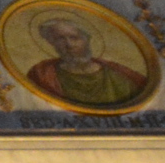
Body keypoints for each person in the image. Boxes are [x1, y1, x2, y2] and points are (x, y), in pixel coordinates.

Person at [21, 10, 152, 108]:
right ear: (52, 43)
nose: (69, 44)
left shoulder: (119, 74)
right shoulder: (41, 74)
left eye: (74, 37)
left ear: (86, 39)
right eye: (60, 39)